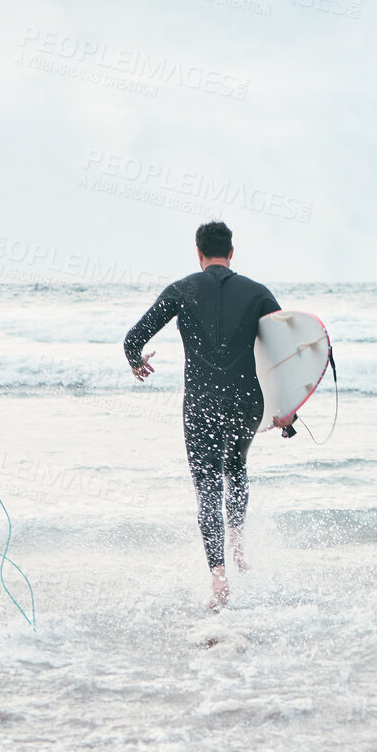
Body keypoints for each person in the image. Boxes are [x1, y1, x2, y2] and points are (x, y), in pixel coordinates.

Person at [123, 222, 281, 609]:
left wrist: (137, 362)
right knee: (236, 467)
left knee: (208, 486)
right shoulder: (258, 293)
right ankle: (239, 547)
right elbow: (287, 351)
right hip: (247, 402)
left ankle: (219, 579)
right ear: (231, 253)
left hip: (201, 404)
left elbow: (133, 339)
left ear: (198, 253)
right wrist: (286, 411)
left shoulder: (182, 289)